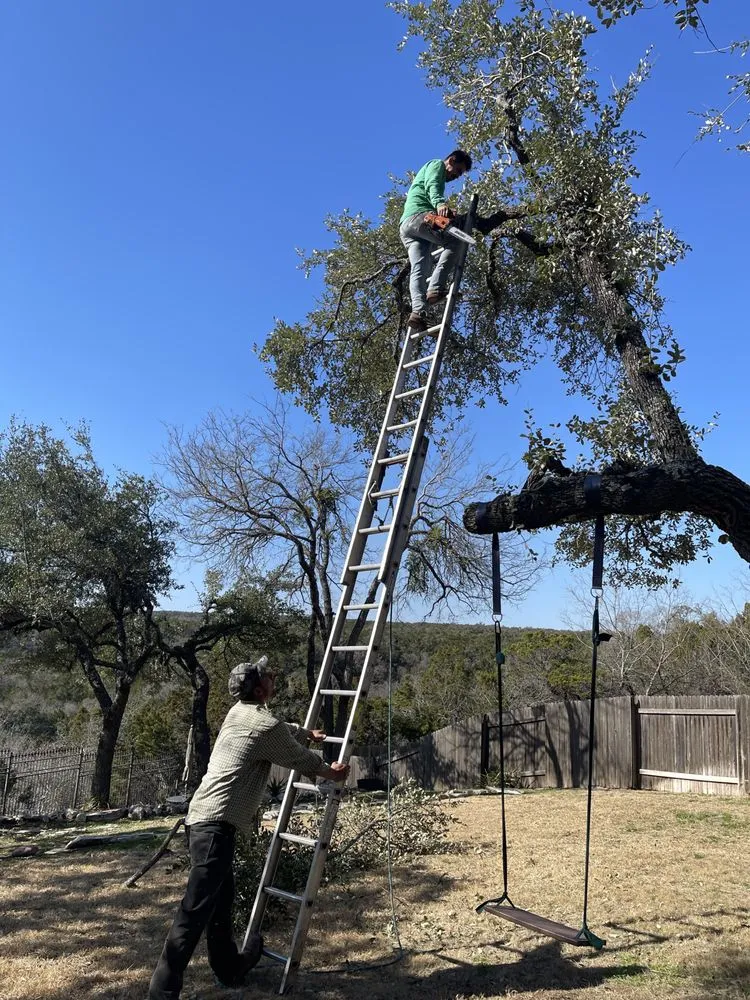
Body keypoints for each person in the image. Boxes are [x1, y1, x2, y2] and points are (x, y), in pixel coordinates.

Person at [148, 656, 350, 1000]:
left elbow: (279, 729)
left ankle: (230, 968)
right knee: (193, 911)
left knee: (220, 902)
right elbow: (295, 756)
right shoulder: (262, 725)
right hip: (214, 827)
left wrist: (306, 733)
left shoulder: (240, 712)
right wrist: (330, 772)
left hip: (205, 822)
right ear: (259, 689)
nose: (272, 675)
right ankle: (162, 991)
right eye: (267, 676)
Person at [399, 150, 473, 332]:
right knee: (455, 242)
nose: (456, 176)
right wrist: (440, 204)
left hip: (406, 227)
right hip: (419, 218)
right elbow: (433, 185)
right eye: (458, 170)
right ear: (451, 160)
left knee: (420, 267)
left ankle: (418, 312)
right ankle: (436, 288)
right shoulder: (436, 165)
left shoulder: (434, 171)